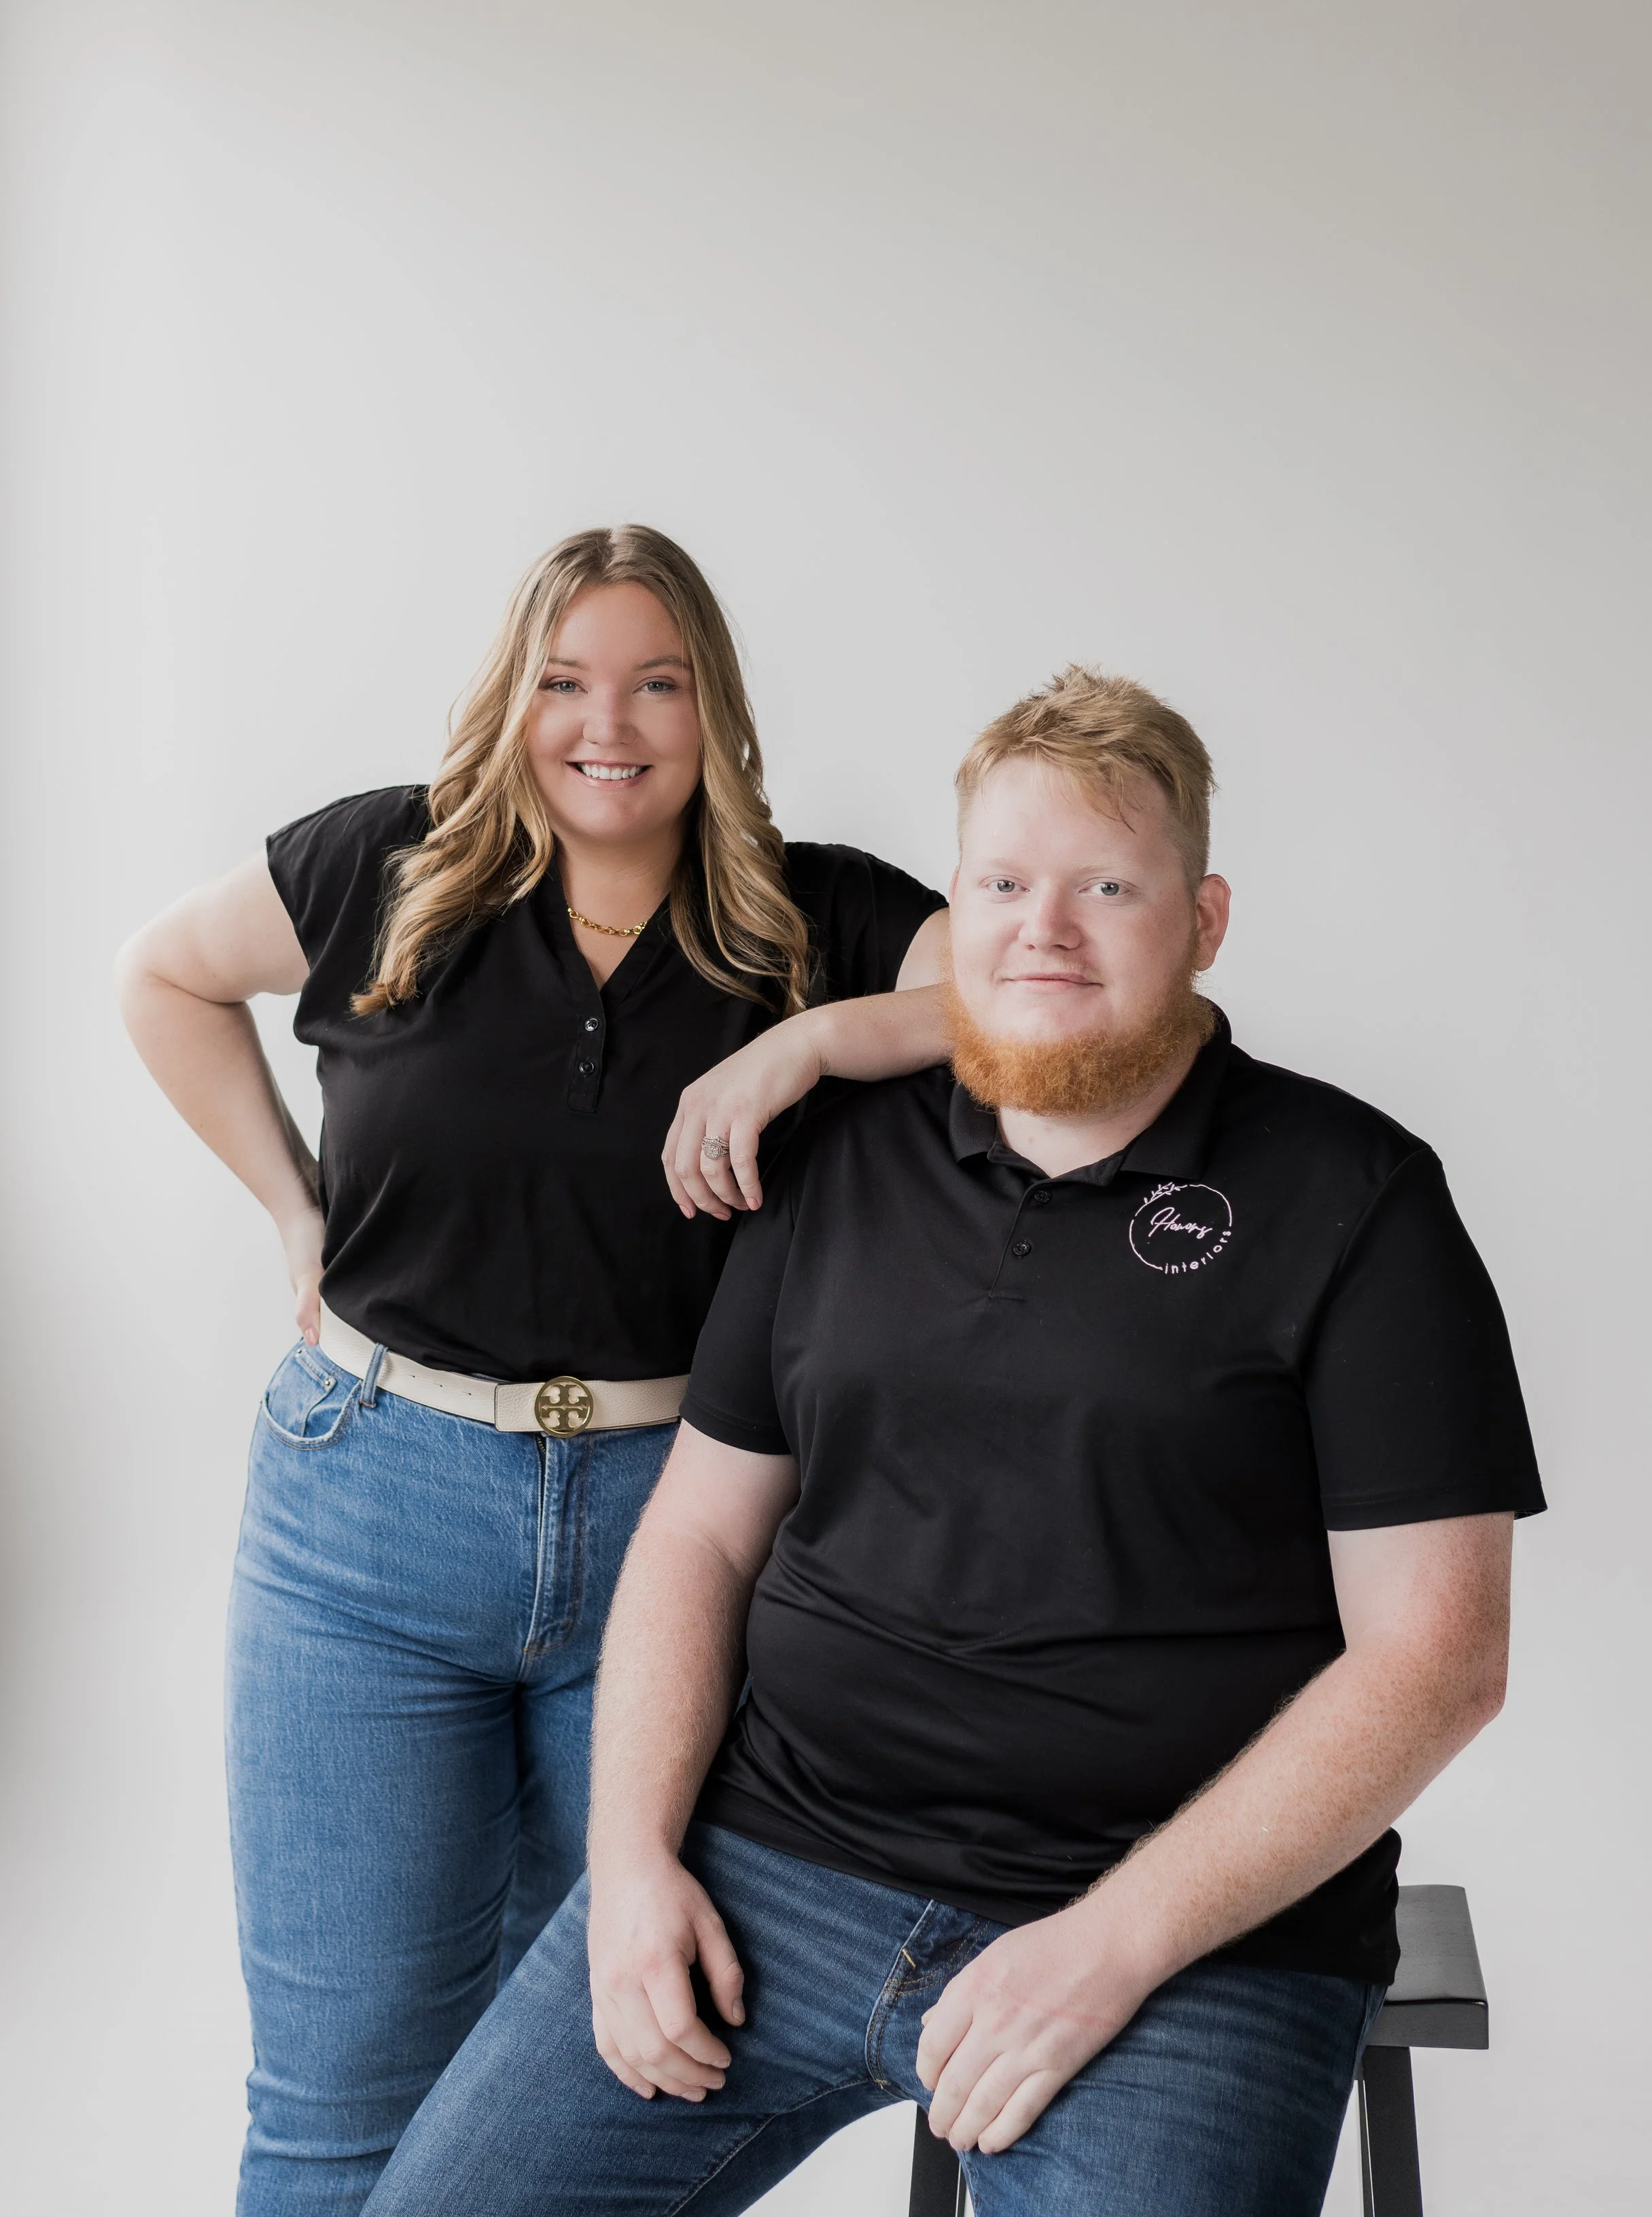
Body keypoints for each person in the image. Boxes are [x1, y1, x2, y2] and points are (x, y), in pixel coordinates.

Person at [359, 666, 1545, 2217]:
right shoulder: (841, 1156)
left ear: (1203, 919)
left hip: (1179, 1937)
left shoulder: (1356, 1199)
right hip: (776, 1860)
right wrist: (632, 1861)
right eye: (1001, 880)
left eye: (1105, 885)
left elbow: (1435, 1659)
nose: (1039, 927)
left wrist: (1105, 1945)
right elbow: (702, 1533)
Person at [113, 525, 956, 2217]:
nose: (609, 722)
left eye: (657, 681)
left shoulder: (818, 917)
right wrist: (296, 1214)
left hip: (684, 1539)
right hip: (364, 1516)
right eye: (565, 681)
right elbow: (165, 976)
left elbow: (1029, 1008)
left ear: (713, 705)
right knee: (341, 2112)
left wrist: (812, 1037)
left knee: (609, 2099)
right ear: (511, 700)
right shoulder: (384, 869)